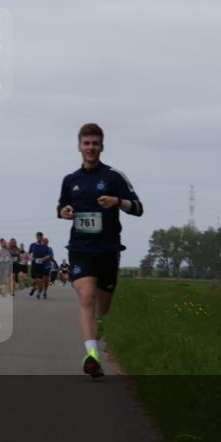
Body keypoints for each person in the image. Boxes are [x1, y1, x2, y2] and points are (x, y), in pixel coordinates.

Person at [58, 122, 143, 378]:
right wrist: (65, 212)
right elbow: (62, 208)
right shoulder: (70, 180)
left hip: (107, 249)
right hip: (81, 248)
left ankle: (99, 324)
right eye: (87, 143)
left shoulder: (114, 177)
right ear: (79, 146)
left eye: (95, 143)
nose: (91, 147)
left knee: (103, 306)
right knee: (86, 298)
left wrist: (118, 201)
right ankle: (92, 355)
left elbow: (138, 208)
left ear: (102, 146)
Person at [27, 232, 54, 299]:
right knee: (35, 280)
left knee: (44, 281)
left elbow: (50, 256)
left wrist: (44, 258)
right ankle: (35, 288)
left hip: (46, 266)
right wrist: (31, 258)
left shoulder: (47, 248)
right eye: (38, 237)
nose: (45, 241)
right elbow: (28, 253)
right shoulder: (33, 245)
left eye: (46, 241)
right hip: (35, 264)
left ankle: (43, 293)